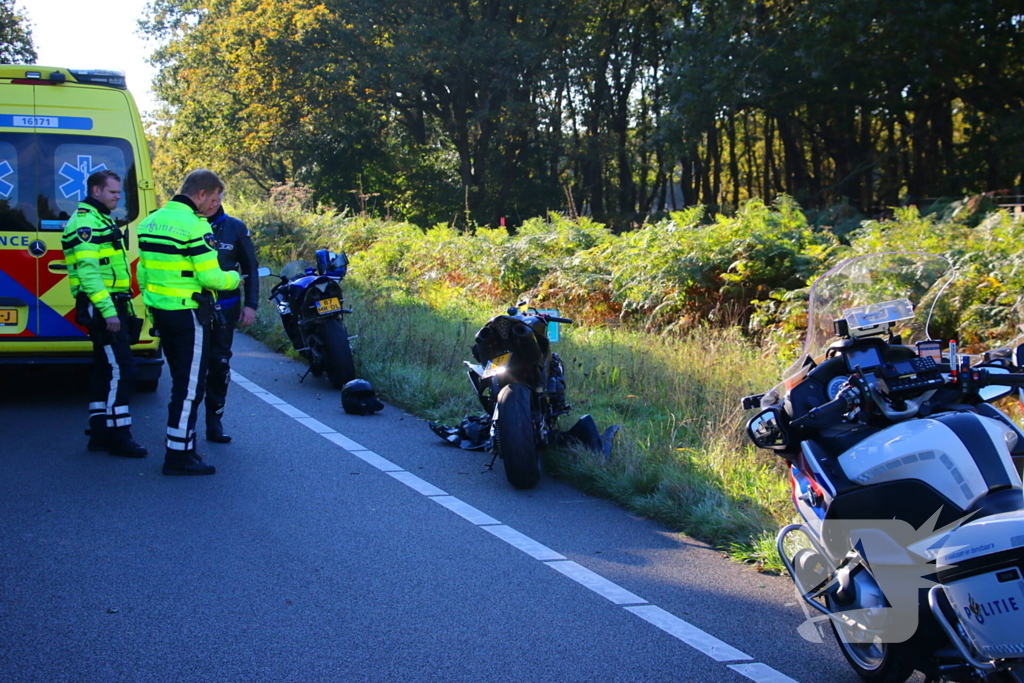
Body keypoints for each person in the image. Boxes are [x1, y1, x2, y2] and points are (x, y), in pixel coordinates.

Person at [137, 170, 241, 475]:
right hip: (190, 316)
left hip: (162, 312)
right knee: (189, 387)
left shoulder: (150, 221)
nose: (215, 205)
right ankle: (178, 456)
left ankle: (184, 448)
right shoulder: (195, 226)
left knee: (180, 383)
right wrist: (235, 278)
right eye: (214, 198)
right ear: (200, 194)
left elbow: (144, 273)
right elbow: (211, 277)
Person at [61, 170, 147, 458]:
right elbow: (89, 275)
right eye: (112, 192)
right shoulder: (85, 223)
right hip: (103, 307)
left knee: (104, 370)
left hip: (111, 304)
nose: (118, 197)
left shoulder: (101, 219)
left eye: (118, 192)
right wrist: (109, 312)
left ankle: (99, 434)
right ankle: (119, 436)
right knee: (123, 369)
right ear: (95, 191)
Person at [200, 193, 259, 443]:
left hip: (227, 307)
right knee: (193, 368)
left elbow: (250, 268)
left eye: (218, 198)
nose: (213, 203)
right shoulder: (188, 224)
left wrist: (251, 305)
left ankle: (214, 423)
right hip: (194, 307)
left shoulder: (235, 228)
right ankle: (185, 427)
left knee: (220, 365)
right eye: (209, 197)